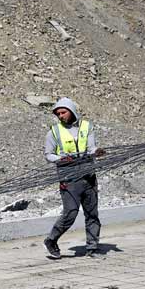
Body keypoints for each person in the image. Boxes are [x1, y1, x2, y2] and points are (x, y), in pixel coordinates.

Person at [43, 97, 105, 259]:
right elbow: (48, 155)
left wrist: (97, 151)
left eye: (63, 112)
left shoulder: (86, 127)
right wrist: (61, 159)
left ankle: (92, 246)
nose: (60, 116)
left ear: (72, 111)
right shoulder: (54, 132)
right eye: (58, 114)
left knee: (92, 213)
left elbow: (91, 148)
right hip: (69, 178)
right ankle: (51, 240)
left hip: (88, 174)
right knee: (70, 212)